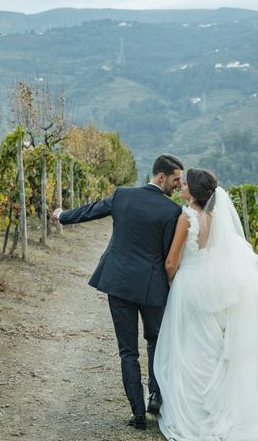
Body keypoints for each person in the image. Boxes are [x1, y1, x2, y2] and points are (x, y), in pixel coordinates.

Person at [52, 154, 183, 430]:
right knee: (155, 342)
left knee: (127, 351)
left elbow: (91, 210)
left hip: (119, 283)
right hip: (151, 287)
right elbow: (167, 255)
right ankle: (156, 396)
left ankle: (137, 414)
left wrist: (62, 216)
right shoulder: (171, 211)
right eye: (175, 179)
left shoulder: (123, 196)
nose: (178, 185)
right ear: (161, 177)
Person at [154, 168, 258, 440]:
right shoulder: (215, 217)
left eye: (185, 183)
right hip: (208, 287)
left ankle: (193, 408)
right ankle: (216, 403)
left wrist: (170, 282)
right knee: (209, 345)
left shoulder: (186, 217)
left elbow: (171, 262)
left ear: (194, 190)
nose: (181, 186)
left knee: (186, 347)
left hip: (187, 286)